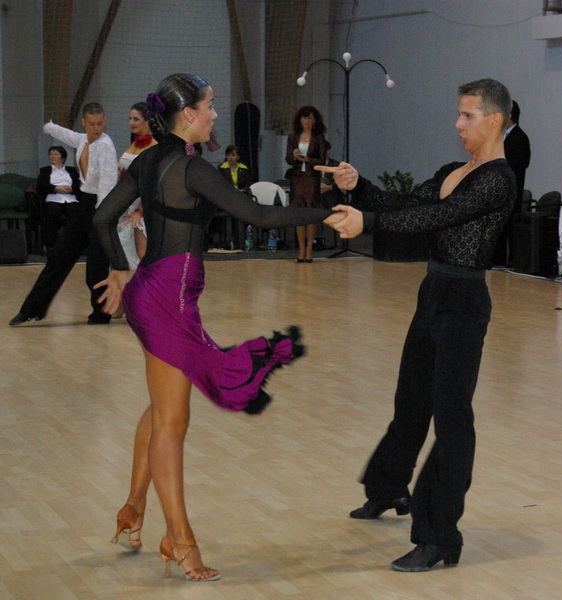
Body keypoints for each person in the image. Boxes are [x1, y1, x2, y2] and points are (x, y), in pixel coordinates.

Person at [92, 73, 350, 582]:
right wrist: (327, 214)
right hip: (169, 303)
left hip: (150, 291)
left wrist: (120, 269)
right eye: (209, 106)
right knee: (173, 422)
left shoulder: (147, 159)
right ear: (188, 114)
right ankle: (179, 540)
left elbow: (102, 219)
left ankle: (133, 508)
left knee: (160, 407)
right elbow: (258, 215)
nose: (214, 114)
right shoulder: (193, 169)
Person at [320, 78, 518, 573]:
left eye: (467, 115)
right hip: (433, 292)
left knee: (452, 419)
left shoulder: (498, 179)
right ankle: (388, 487)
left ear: (495, 119)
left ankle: (440, 536)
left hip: (464, 302)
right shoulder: (453, 171)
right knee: (410, 400)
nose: (458, 123)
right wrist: (359, 187)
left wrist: (367, 224)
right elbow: (408, 205)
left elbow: (436, 219)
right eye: (459, 113)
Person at [9, 103, 118, 327]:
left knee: (96, 270)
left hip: (102, 209)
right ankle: (32, 309)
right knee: (58, 257)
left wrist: (102, 219)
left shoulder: (106, 147)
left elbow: (108, 187)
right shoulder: (82, 140)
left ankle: (101, 314)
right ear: (84, 123)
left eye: (100, 124)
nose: (96, 128)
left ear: (105, 121)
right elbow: (65, 134)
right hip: (84, 205)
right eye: (91, 124)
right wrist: (48, 127)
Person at [117, 101, 158, 272]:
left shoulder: (154, 147)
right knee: (126, 258)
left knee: (143, 255)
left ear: (147, 121)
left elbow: (152, 185)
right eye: (130, 118)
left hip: (143, 207)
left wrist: (139, 211)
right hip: (126, 205)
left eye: (136, 119)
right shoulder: (134, 143)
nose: (131, 122)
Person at [285, 106, 327, 262]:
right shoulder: (293, 136)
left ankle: (309, 248)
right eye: (304, 118)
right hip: (297, 178)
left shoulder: (319, 137)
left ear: (315, 120)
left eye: (310, 118)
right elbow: (288, 159)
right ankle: (301, 248)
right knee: (299, 213)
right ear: (299, 119)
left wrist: (309, 160)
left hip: (311, 178)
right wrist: (294, 155)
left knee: (311, 212)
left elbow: (322, 160)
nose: (306, 121)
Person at [493, 99, 531, 266]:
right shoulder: (500, 137)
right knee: (498, 228)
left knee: (509, 228)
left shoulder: (520, 137)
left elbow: (521, 163)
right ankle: (498, 261)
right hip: (499, 191)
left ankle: (511, 262)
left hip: (511, 191)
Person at [36, 146, 81, 251]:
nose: (52, 156)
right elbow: (41, 187)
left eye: (56, 154)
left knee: (75, 212)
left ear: (63, 158)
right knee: (52, 211)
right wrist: (55, 188)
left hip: (70, 198)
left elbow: (79, 186)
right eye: (51, 154)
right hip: (53, 197)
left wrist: (71, 189)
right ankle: (50, 243)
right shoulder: (45, 171)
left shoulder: (72, 170)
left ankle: (75, 243)